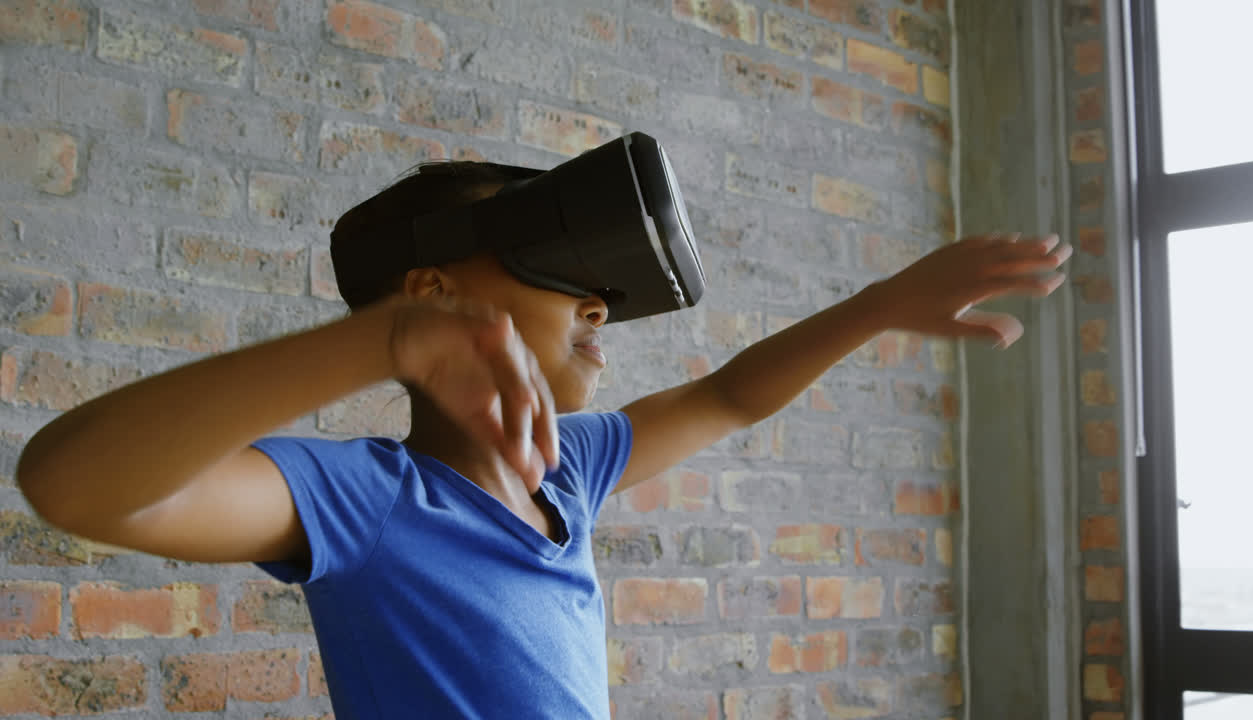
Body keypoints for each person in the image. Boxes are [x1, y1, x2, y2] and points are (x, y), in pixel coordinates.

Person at [15, 156, 1072, 719]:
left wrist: (882, 302)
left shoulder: (569, 469)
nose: (600, 306)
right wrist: (380, 343)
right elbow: (78, 488)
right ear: (426, 292)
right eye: (556, 270)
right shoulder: (365, 499)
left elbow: (734, 396)